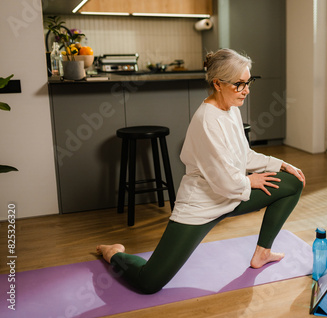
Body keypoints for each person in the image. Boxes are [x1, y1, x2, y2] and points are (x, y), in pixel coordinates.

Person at [97, 48, 306, 294]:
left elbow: (244, 155)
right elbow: (224, 182)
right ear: (218, 83)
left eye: (248, 82)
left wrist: (280, 164)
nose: (246, 89)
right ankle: (113, 253)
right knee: (148, 282)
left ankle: (263, 252)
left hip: (233, 195)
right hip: (203, 204)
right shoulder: (207, 120)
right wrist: (251, 181)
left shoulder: (232, 110)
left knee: (293, 182)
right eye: (240, 84)